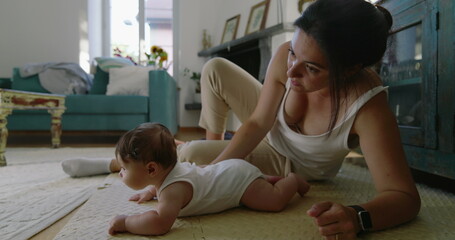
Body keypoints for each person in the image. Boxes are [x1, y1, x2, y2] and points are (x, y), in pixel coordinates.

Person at [63, 0, 421, 239]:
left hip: (291, 163)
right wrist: (211, 174)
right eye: (294, 52)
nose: (291, 70)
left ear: (351, 69)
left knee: (189, 158)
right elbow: (257, 123)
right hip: (270, 134)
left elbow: (404, 197)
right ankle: (120, 162)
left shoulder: (368, 106)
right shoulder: (288, 58)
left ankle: (144, 159)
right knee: (215, 69)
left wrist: (359, 216)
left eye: (311, 67)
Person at [108, 122, 310, 236]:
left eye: (125, 168)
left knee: (273, 201)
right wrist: (149, 191)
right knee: (260, 183)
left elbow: (160, 223)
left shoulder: (172, 191)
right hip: (227, 170)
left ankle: (292, 180)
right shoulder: (169, 174)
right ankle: (266, 179)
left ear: (152, 169)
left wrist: (126, 222)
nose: (121, 173)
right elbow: (159, 185)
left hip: (238, 183)